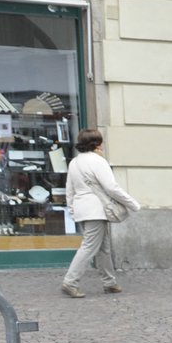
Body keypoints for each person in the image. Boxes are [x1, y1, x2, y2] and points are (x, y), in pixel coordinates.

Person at [61, 128, 140, 299]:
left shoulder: (74, 162)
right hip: (96, 209)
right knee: (90, 246)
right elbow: (112, 188)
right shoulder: (98, 161)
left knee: (103, 247)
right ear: (96, 144)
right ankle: (70, 281)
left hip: (83, 208)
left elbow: (70, 189)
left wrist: (72, 208)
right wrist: (132, 203)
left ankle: (109, 282)